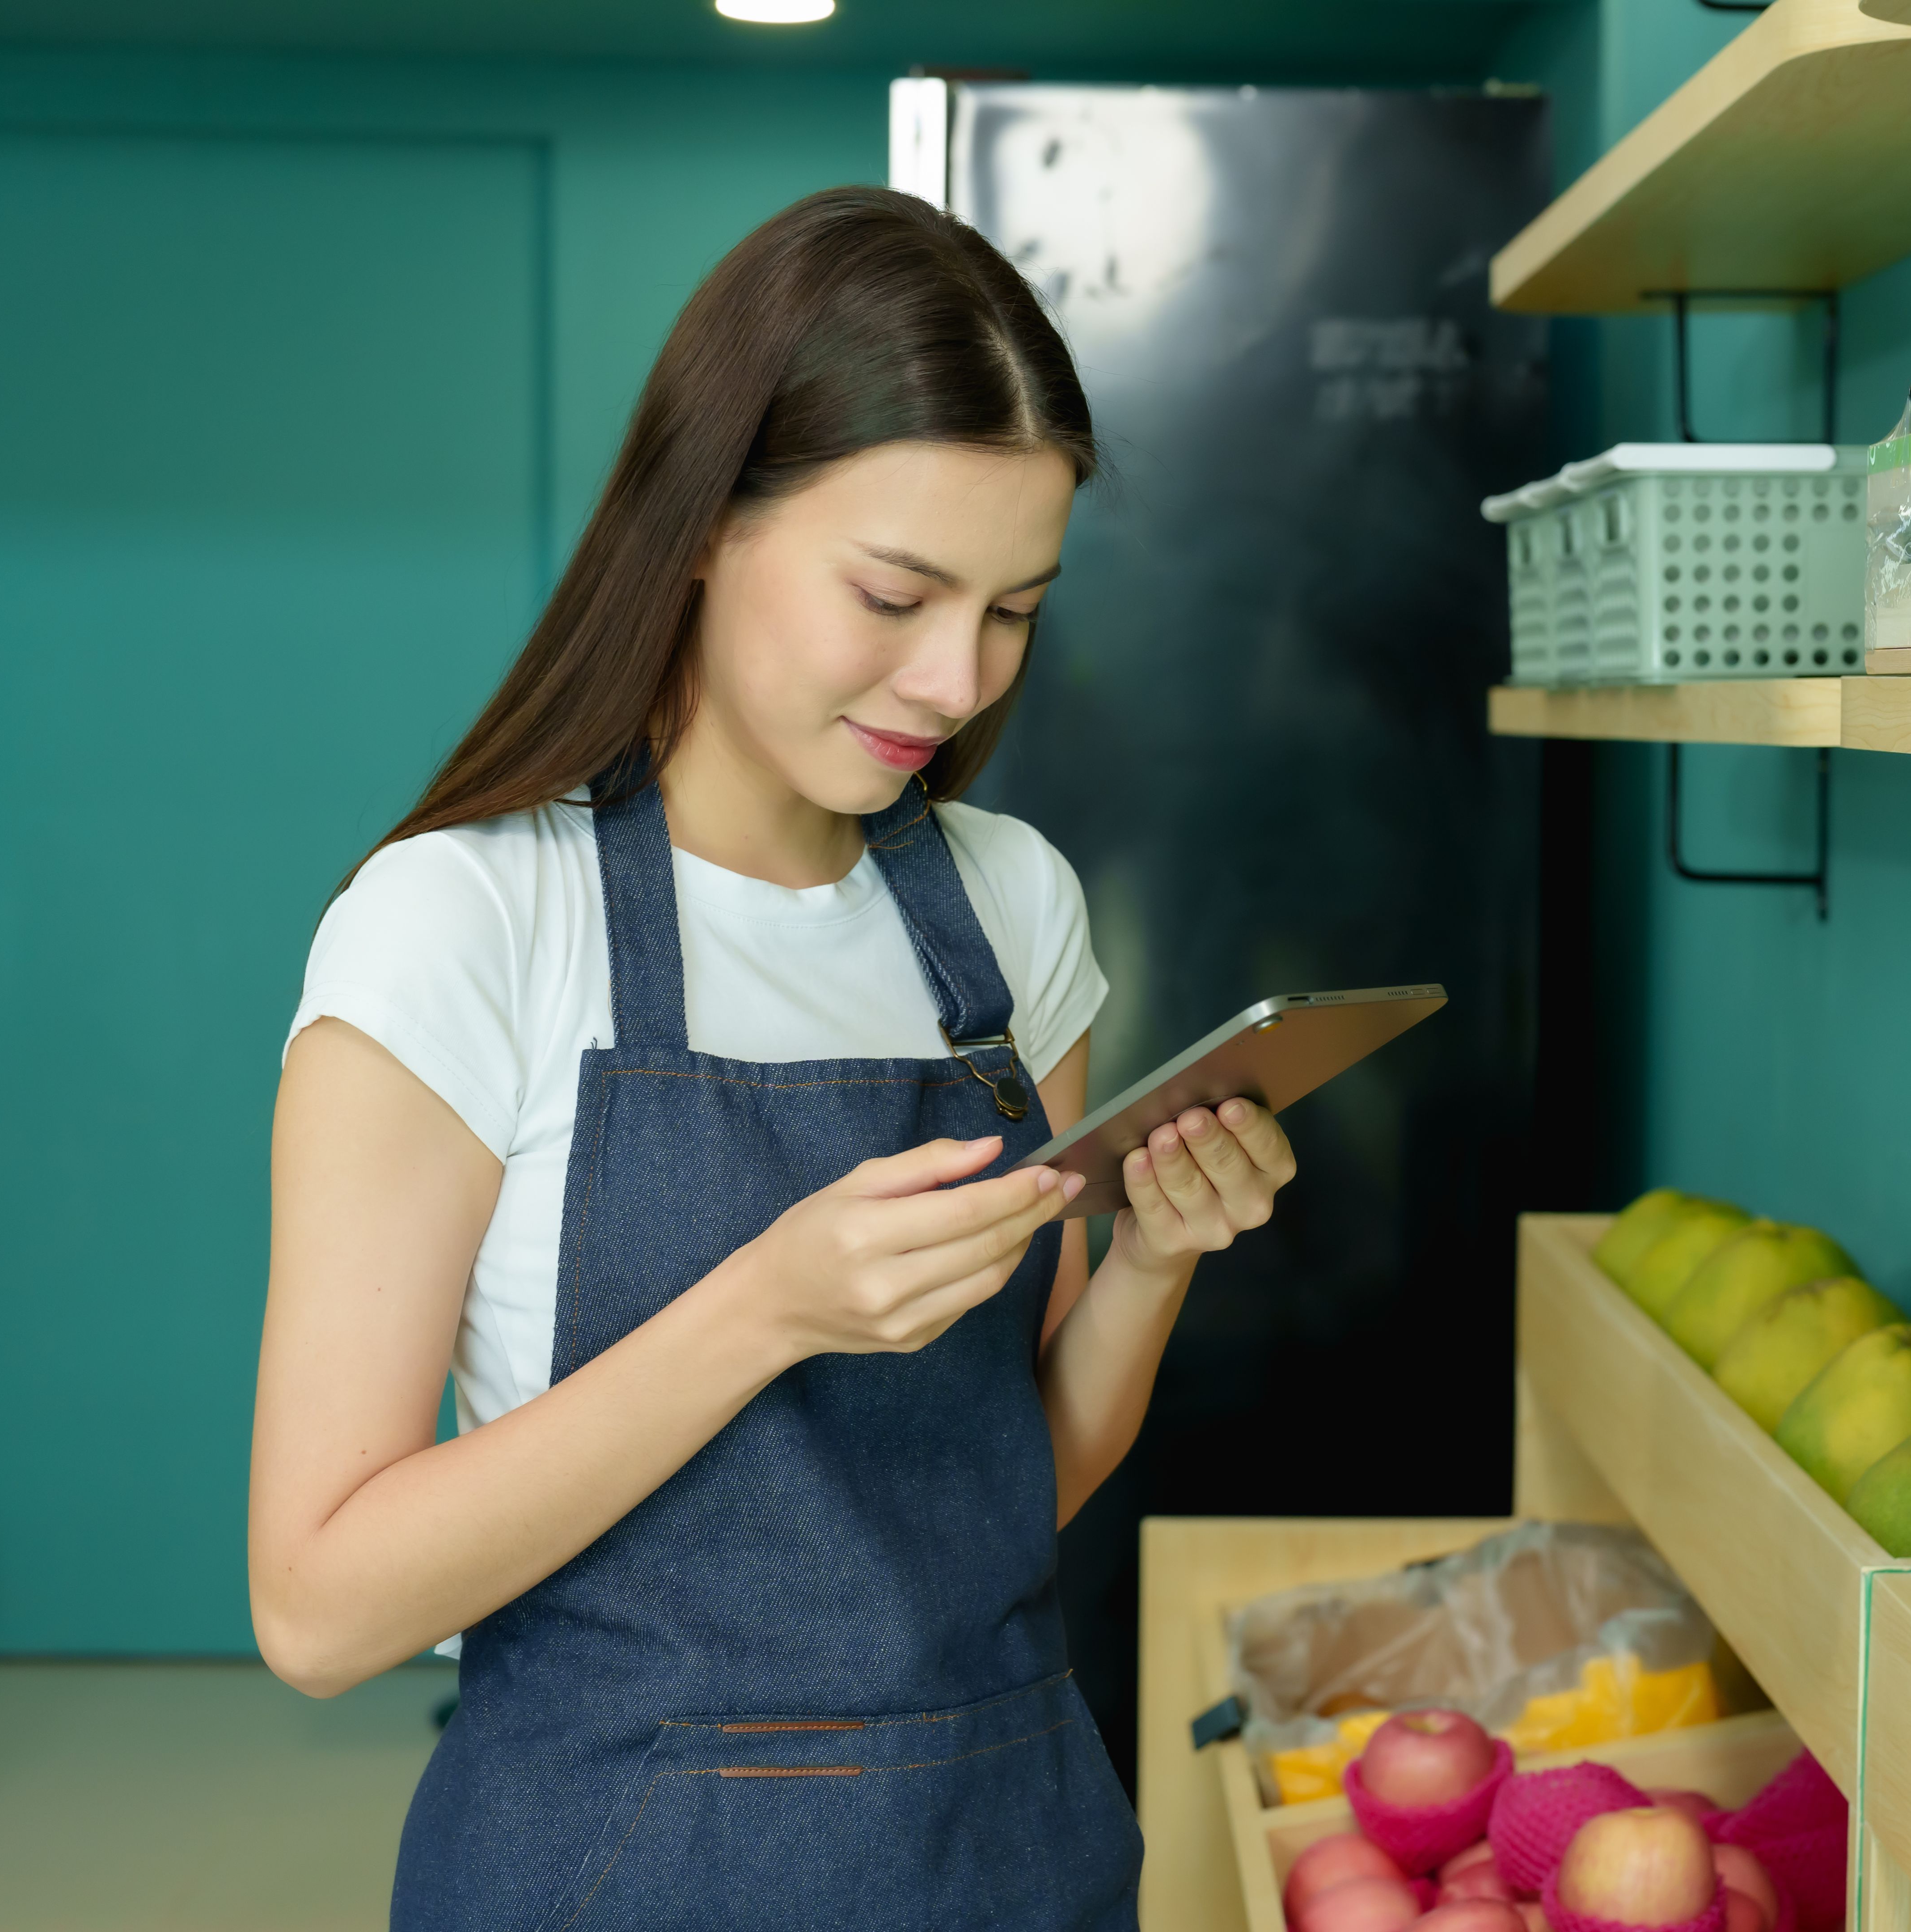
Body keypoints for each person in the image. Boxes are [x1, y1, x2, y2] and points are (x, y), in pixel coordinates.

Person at [247, 186, 1294, 1930]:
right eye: (896, 593)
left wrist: (1154, 1261)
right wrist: (768, 1311)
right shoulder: (463, 927)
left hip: (1007, 1848)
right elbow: (319, 1610)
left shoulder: (1010, 909)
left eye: (1015, 610)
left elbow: (1002, 1499)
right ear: (705, 526)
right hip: (615, 1867)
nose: (955, 678)